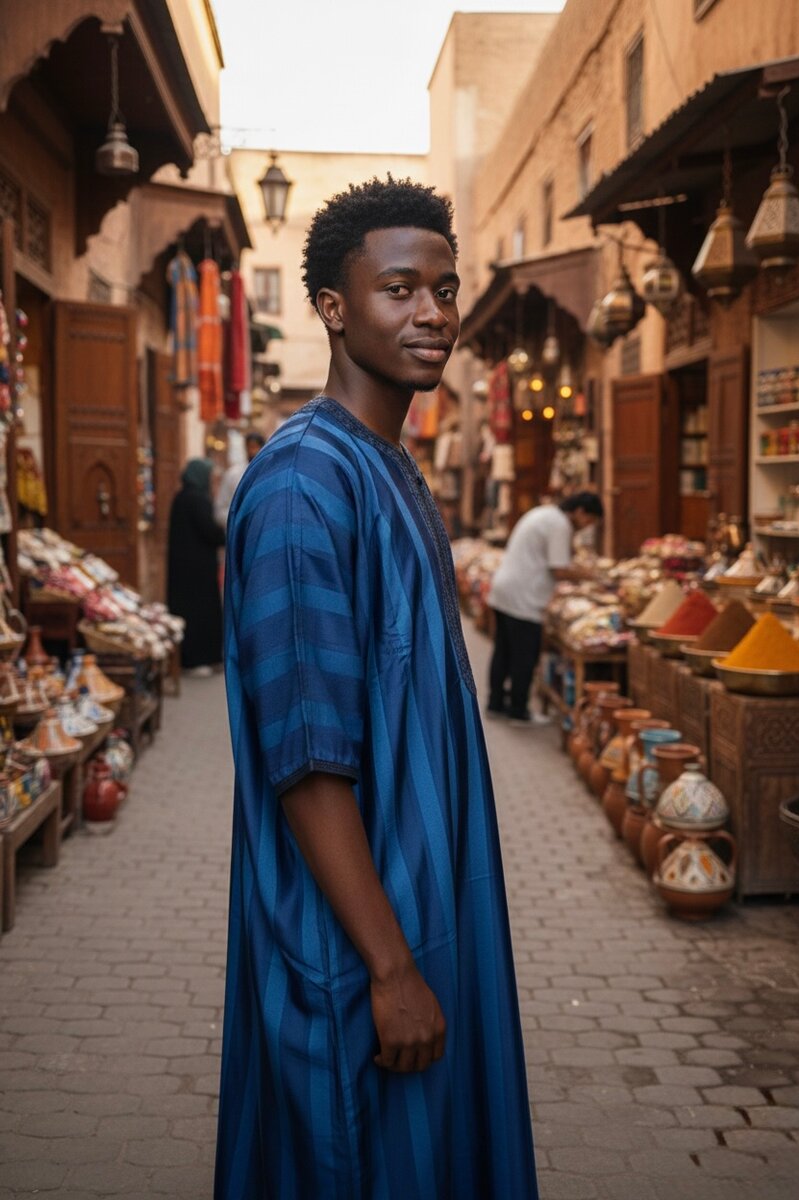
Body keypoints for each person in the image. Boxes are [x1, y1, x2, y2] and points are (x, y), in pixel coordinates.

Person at [216, 178, 538, 1200]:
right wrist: (391, 971)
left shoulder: (387, 467)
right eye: (398, 287)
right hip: (351, 949)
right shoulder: (306, 482)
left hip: (417, 911)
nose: (433, 312)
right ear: (331, 305)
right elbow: (306, 759)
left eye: (443, 289)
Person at [487, 491, 604, 723]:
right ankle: (518, 709)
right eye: (588, 521)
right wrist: (591, 576)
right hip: (524, 596)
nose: (586, 527)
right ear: (580, 512)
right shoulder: (560, 524)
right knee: (524, 656)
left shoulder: (545, 513)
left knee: (504, 650)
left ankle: (496, 702)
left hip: (505, 589)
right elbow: (558, 569)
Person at [167, 458, 225, 676]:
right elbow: (210, 531)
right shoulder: (196, 500)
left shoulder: (183, 497)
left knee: (194, 612)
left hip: (188, 569)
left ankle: (196, 659)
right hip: (196, 571)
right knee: (199, 614)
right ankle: (197, 660)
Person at [214, 430, 266, 527]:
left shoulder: (268, 474)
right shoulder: (233, 475)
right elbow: (220, 510)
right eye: (249, 447)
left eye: (255, 447)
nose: (252, 451)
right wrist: (240, 521)